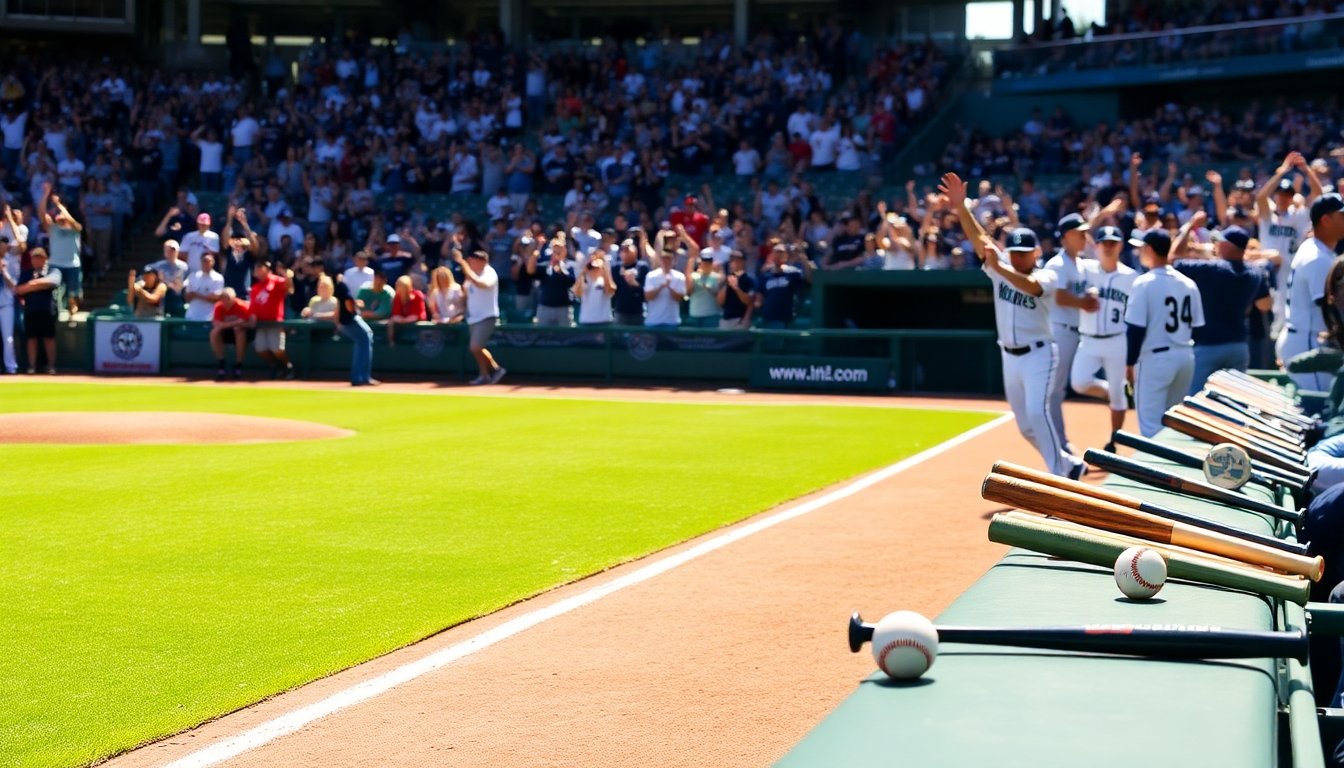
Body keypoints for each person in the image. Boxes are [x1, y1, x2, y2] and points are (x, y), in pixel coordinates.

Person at [940, 172, 1082, 478]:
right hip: (1009, 355)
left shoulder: (1047, 276)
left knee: (1037, 413)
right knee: (1026, 427)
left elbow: (1030, 287)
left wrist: (998, 267)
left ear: (1036, 253)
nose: (1017, 258)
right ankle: (1070, 464)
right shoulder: (1001, 265)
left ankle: (1060, 479)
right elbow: (980, 240)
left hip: (1039, 354)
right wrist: (961, 208)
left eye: (1023, 253)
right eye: (1014, 253)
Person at [1171, 218, 1272, 395]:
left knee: (1194, 402)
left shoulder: (1210, 269)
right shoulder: (1255, 272)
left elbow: (1173, 258)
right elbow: (1265, 305)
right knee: (1234, 404)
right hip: (1239, 346)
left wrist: (1189, 225)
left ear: (1226, 246)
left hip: (1208, 346)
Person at [1125, 229, 1206, 437]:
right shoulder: (1188, 283)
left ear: (1149, 249)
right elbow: (1198, 327)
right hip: (1185, 356)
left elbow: (1135, 329)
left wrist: (1129, 363)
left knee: (1150, 426)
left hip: (1156, 359)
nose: (1138, 252)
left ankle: (1151, 470)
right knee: (1172, 423)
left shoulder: (1144, 282)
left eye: (1141, 248)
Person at [1069, 225, 1136, 448]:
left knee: (1118, 396)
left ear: (1120, 246)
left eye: (1112, 243)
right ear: (1095, 246)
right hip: (1088, 339)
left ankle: (1114, 440)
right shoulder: (1084, 270)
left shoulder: (1131, 277)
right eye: (1104, 243)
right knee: (1079, 383)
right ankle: (1112, 391)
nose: (1108, 247)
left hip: (1117, 340)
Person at [1043, 212, 1102, 454]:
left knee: (1065, 386)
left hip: (1077, 331)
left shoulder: (1080, 262)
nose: (1084, 236)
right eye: (1079, 232)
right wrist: (1083, 302)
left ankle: (1059, 441)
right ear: (1066, 236)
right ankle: (1059, 443)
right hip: (1060, 331)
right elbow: (1058, 295)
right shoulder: (1057, 264)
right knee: (1055, 390)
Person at [1277, 194, 1344, 391]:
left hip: (1304, 338)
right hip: (1308, 341)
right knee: (1317, 408)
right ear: (1326, 219)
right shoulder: (1318, 258)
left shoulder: (1316, 249)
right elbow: (1328, 307)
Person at [1256, 152, 1320, 335]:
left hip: (1291, 269)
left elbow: (1317, 194)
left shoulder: (1298, 215)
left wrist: (1307, 170)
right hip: (1268, 269)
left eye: (1287, 194)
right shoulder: (1268, 216)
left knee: (1287, 314)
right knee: (1266, 314)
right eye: (1281, 194)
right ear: (1276, 195)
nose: (1283, 197)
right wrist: (1281, 172)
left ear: (1292, 196)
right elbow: (1261, 197)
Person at [454, 248, 505, 385]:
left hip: (487, 316)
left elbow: (482, 284)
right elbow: (466, 294)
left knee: (475, 346)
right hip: (473, 317)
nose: (470, 263)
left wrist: (462, 263)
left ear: (482, 261)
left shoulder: (489, 273)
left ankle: (496, 368)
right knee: (477, 349)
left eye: (473, 261)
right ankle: (485, 375)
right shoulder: (471, 275)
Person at [38, 185, 82, 315]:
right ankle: (55, 311)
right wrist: (46, 194)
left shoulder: (75, 229)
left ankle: (71, 308)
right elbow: (41, 213)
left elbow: (72, 222)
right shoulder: (53, 229)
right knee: (54, 292)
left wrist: (59, 205)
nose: (60, 216)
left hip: (72, 265)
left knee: (73, 296)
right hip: (55, 265)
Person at [15, 248, 61, 374]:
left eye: (39, 258)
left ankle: (51, 365)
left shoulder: (53, 271)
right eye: (34, 259)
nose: (36, 262)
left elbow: (52, 282)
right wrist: (38, 285)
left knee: (49, 338)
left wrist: (31, 285)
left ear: (45, 259)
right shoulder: (26, 273)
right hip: (30, 310)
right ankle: (32, 367)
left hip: (47, 310)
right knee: (31, 339)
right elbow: (19, 290)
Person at [247, 259, 294, 379]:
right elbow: (253, 307)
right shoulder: (255, 287)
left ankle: (287, 366)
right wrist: (252, 317)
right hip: (261, 323)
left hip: (275, 322)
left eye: (260, 268)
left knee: (277, 348)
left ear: (267, 269)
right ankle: (274, 366)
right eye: (256, 269)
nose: (257, 271)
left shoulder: (276, 281)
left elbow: (289, 288)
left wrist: (288, 277)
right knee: (260, 348)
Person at [756, 243, 813, 329]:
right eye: (775, 252)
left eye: (780, 252)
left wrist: (803, 259)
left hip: (785, 318)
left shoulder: (793, 273)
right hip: (768, 318)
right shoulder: (765, 275)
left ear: (786, 256)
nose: (777, 255)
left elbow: (809, 280)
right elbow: (759, 298)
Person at [333, 275, 377, 386]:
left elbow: (340, 305)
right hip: (350, 321)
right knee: (365, 340)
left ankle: (362, 377)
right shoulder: (342, 286)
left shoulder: (340, 286)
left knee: (366, 338)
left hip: (347, 321)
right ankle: (360, 377)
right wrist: (355, 307)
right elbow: (348, 304)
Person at [529, 236, 577, 326]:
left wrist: (560, 268)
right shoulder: (544, 266)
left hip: (564, 308)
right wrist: (536, 252)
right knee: (542, 337)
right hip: (545, 307)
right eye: (555, 250)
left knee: (565, 337)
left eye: (559, 250)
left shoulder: (569, 266)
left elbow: (571, 282)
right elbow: (530, 270)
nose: (557, 253)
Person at [210, 287, 251, 379]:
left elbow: (251, 323)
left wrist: (240, 324)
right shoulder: (218, 306)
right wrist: (235, 323)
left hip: (245, 334)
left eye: (227, 298)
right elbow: (216, 324)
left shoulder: (242, 305)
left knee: (239, 331)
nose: (224, 301)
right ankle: (221, 363)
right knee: (214, 332)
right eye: (222, 298)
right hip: (226, 333)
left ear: (233, 298)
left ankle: (239, 364)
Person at [643, 242, 686, 328]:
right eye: (664, 259)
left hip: (672, 322)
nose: (666, 261)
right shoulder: (651, 276)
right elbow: (648, 297)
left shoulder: (680, 277)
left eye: (669, 259)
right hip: (653, 322)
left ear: (673, 260)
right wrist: (661, 286)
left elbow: (680, 298)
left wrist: (670, 287)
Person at [611, 235, 650, 326]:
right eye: (622, 249)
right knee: (619, 338)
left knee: (637, 338)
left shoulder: (642, 266)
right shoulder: (616, 267)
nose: (625, 252)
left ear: (635, 250)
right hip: (620, 310)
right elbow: (613, 290)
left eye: (628, 249)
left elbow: (646, 291)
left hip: (638, 311)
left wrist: (634, 283)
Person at [150, 239, 190, 317]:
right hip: (162, 299)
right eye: (168, 250)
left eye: (173, 250)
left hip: (178, 298)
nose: (171, 253)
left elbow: (187, 281)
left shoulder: (184, 267)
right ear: (164, 251)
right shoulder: (157, 266)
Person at [717, 251, 756, 329]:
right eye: (731, 260)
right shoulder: (726, 279)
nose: (733, 263)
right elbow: (719, 301)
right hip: (726, 319)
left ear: (743, 262)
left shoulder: (749, 280)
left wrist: (736, 288)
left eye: (736, 260)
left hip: (740, 320)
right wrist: (727, 284)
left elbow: (749, 301)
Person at [685, 252, 724, 327]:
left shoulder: (718, 278)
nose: (706, 265)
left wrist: (709, 288)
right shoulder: (693, 277)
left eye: (708, 263)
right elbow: (688, 291)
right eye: (704, 263)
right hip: (695, 315)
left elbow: (720, 297)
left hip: (712, 316)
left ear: (712, 264)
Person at [184, 252, 226, 322]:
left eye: (208, 261)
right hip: (191, 315)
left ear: (213, 262)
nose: (206, 263)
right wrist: (204, 295)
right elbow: (187, 297)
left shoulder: (218, 278)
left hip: (208, 317)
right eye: (204, 261)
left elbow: (216, 298)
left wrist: (197, 295)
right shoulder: (193, 276)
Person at [386, 275, 427, 345]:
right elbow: (396, 315)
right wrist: (403, 320)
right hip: (402, 328)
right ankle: (391, 343)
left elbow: (417, 316)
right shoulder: (397, 297)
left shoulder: (418, 295)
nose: (398, 288)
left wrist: (403, 320)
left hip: (418, 329)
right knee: (390, 323)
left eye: (400, 286)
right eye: (397, 285)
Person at [575, 254, 616, 325]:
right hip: (586, 321)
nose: (594, 268)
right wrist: (583, 271)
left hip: (604, 321)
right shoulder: (584, 278)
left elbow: (611, 291)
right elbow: (577, 293)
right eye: (592, 266)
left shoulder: (605, 279)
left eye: (597, 266)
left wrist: (605, 272)